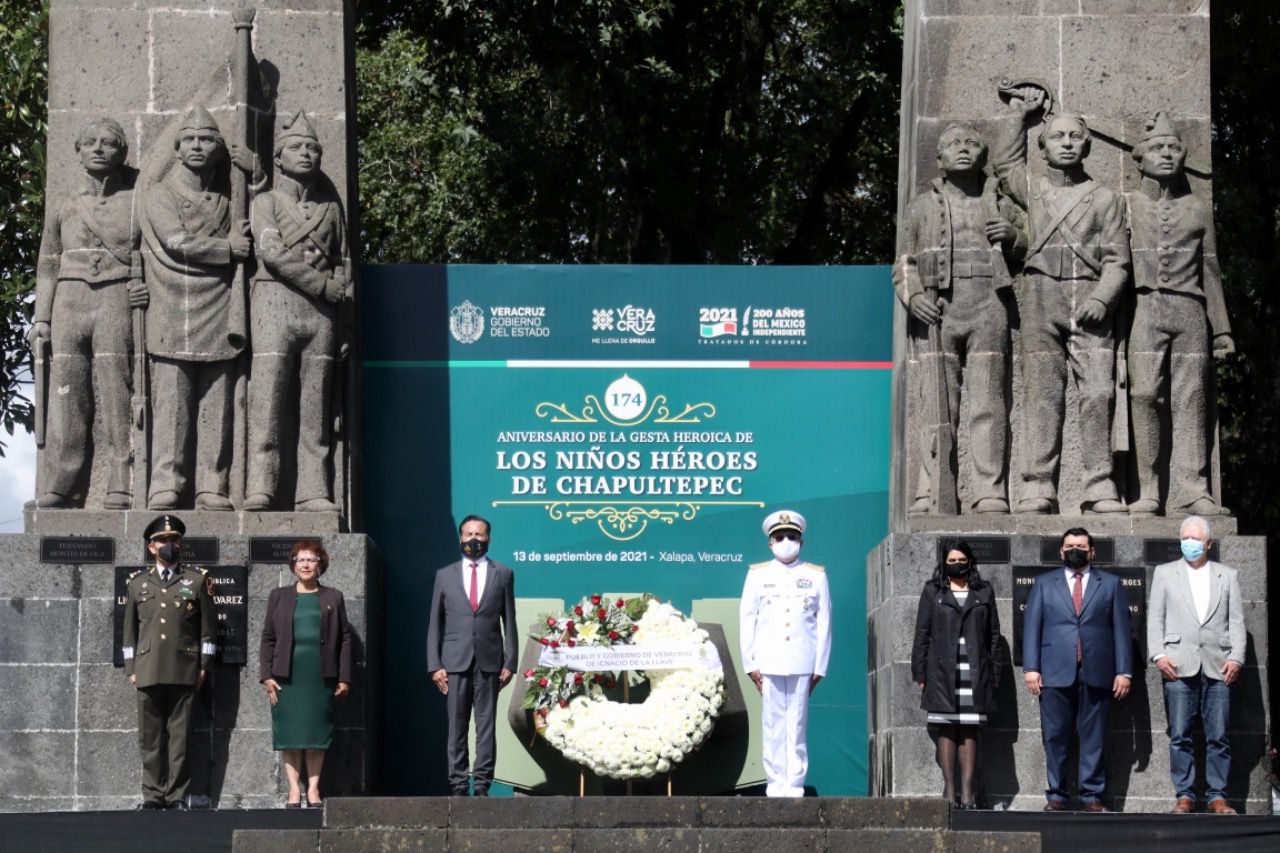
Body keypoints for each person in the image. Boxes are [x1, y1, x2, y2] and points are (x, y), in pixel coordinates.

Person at [994, 87, 1130, 515]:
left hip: (1088, 301)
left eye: (1075, 137)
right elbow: (1005, 166)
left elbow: (1118, 261)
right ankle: (1038, 486)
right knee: (1042, 396)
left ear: (1087, 145)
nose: (1067, 143)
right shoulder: (1033, 189)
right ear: (1044, 146)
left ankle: (1099, 483)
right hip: (1040, 298)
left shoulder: (1106, 198)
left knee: (1098, 394)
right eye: (1058, 137)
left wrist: (1104, 300)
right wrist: (1019, 114)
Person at [895, 122, 1027, 515]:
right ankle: (932, 487)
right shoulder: (920, 207)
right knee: (936, 404)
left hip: (988, 303)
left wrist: (1015, 237)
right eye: (954, 144)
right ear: (940, 158)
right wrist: (914, 295)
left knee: (988, 401)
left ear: (983, 156)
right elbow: (904, 263)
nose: (964, 149)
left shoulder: (999, 201)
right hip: (939, 310)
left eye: (972, 143)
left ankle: (990, 490)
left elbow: (1031, 244)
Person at [140, 104, 259, 511]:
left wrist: (256, 177)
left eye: (207, 139)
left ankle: (213, 484)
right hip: (173, 303)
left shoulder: (230, 199)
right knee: (172, 399)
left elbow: (270, 221)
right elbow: (177, 242)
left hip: (219, 305)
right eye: (189, 139)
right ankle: (166, 482)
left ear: (218, 149)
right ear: (176, 148)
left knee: (217, 401)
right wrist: (228, 248)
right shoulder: (159, 194)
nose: (197, 145)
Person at [30, 117, 145, 509]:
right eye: (90, 142)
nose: (99, 148)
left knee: (117, 387)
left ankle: (121, 478)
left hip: (115, 295)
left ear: (122, 153)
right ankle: (65, 480)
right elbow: (48, 263)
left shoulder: (136, 199)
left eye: (109, 143)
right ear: (78, 151)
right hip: (70, 298)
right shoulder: (64, 203)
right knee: (68, 393)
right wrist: (41, 319)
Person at [1125, 112, 1234, 517]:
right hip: (1145, 307)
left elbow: (1211, 269)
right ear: (1140, 159)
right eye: (1157, 148)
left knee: (1191, 399)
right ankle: (1148, 489)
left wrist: (1221, 330)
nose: (1167, 154)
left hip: (1190, 310)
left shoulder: (1197, 208)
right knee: (1143, 395)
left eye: (1173, 148)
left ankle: (1192, 489)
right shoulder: (1128, 205)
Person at [244, 111, 352, 513]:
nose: (306, 154)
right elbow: (272, 254)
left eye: (313, 148)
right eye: (296, 148)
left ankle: (313, 491)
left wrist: (346, 325)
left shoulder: (331, 209)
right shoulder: (265, 203)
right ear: (279, 158)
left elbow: (345, 264)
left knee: (317, 409)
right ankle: (262, 487)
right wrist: (323, 285)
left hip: (322, 315)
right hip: (274, 304)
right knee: (268, 402)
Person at [1022, 527, 1132, 812]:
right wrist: (1031, 667)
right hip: (1054, 671)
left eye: (1081, 546)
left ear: (1092, 551)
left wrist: (1124, 671)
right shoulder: (1044, 584)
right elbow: (1032, 627)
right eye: (1070, 545)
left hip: (1097, 671)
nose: (1075, 550)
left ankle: (1091, 796)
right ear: (1060, 550)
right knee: (1055, 734)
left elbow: (1121, 630)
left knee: (1094, 736)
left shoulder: (1110, 584)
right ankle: (1056, 795)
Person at [1147, 515, 1246, 814]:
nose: (1190, 543)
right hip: (1177, 664)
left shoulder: (1227, 575)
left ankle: (1217, 796)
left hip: (1219, 665)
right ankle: (1185, 795)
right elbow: (1156, 618)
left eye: (1196, 539)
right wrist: (1158, 654)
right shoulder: (1165, 574)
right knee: (1180, 734)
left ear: (1209, 543)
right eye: (1185, 538)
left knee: (1219, 735)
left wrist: (1237, 657)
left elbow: (1237, 621)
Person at [121, 514, 217, 810]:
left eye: (174, 540)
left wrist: (204, 665)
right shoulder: (138, 584)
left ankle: (176, 795)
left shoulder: (197, 580)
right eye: (163, 540)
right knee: (149, 738)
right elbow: (129, 633)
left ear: (181, 545)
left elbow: (208, 630)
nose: (169, 544)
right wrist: (131, 669)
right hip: (147, 669)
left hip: (184, 667)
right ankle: (152, 795)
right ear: (151, 547)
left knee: (179, 737)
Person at [739, 510, 832, 797]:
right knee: (772, 724)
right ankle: (775, 782)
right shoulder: (757, 574)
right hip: (769, 660)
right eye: (780, 537)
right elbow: (747, 618)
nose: (786, 541)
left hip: (803, 659)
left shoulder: (815, 575)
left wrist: (820, 665)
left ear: (801, 542)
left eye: (792, 536)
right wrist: (750, 662)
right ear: (770, 543)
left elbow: (824, 620)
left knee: (798, 722)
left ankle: (794, 783)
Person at [426, 515, 517, 796]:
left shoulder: (503, 573)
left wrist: (510, 661)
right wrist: (434, 664)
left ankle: (481, 785)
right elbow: (435, 623)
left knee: (486, 727)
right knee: (457, 726)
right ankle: (457, 785)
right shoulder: (445, 574)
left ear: (488, 538)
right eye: (468, 534)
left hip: (490, 662)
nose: (473, 540)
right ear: (460, 538)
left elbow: (509, 621)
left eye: (479, 535)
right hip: (454, 661)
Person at [260, 540, 352, 808]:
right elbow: (268, 638)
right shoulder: (279, 596)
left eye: (311, 559)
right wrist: (266, 675)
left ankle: (313, 789)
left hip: (319, 676)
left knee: (315, 734)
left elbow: (345, 639)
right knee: (290, 734)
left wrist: (344, 677)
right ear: (293, 565)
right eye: (300, 559)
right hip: (286, 676)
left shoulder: (333, 597)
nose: (306, 564)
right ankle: (293, 790)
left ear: (320, 564)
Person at [911, 539, 1002, 808]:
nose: (957, 564)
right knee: (947, 727)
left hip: (975, 669)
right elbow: (921, 634)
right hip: (941, 671)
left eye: (961, 559)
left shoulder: (984, 591)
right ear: (943, 563)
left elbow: (993, 635)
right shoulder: (933, 591)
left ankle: (968, 793)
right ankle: (950, 792)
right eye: (951, 560)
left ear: (970, 561)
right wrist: (920, 673)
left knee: (970, 728)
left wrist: (995, 672)